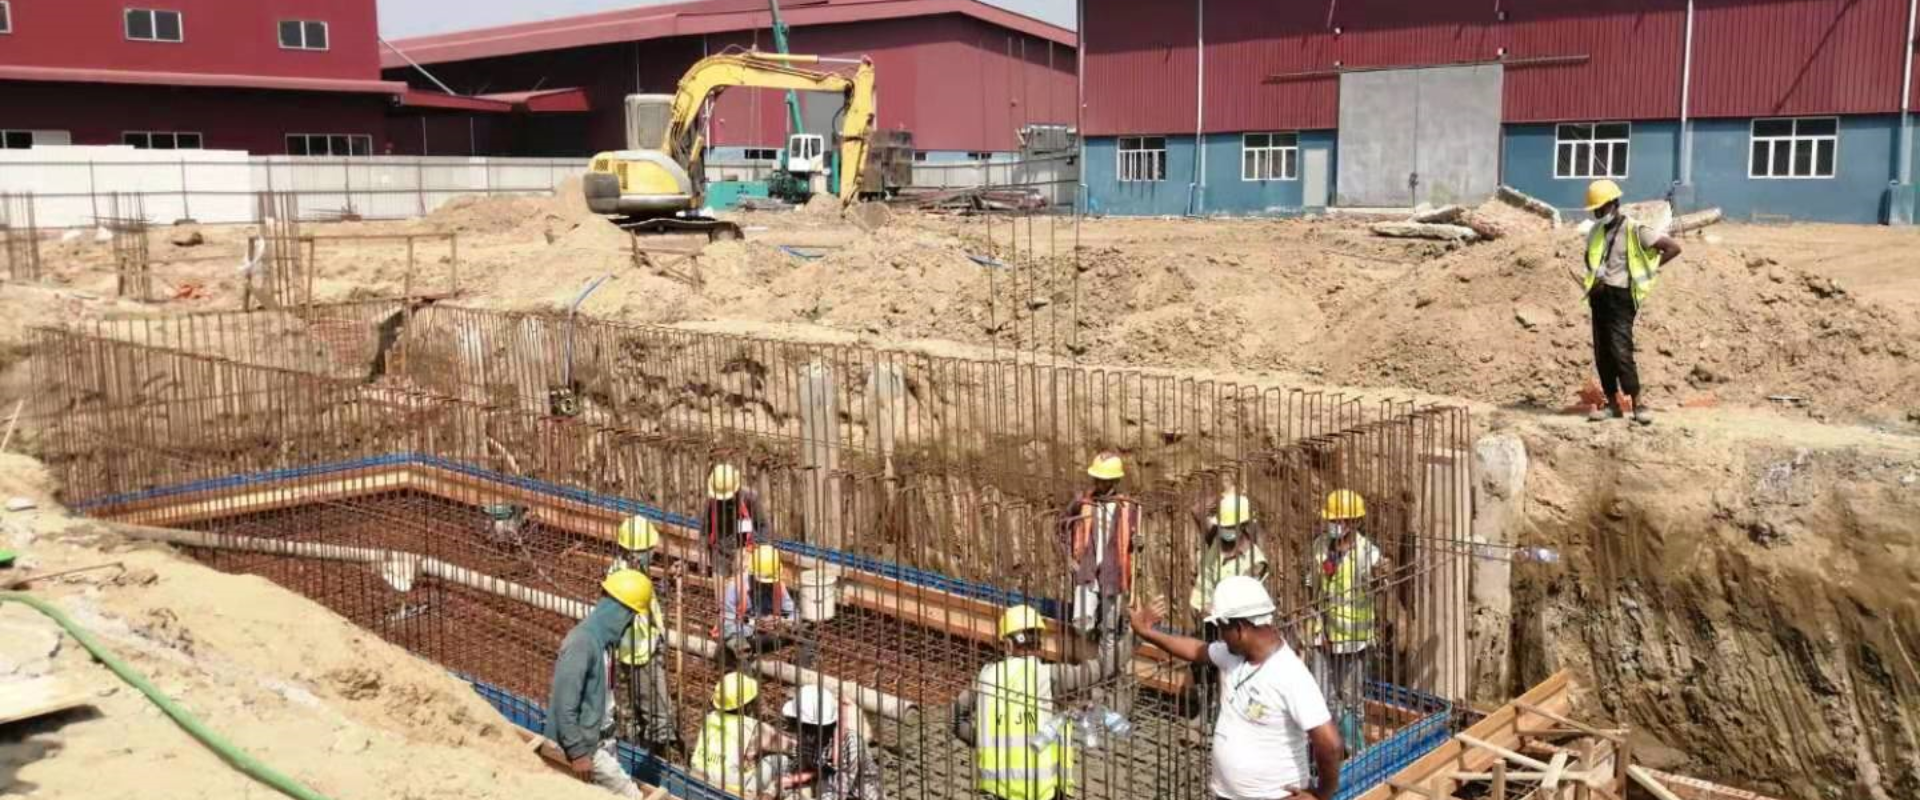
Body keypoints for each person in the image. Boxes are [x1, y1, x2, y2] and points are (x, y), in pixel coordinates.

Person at [1130, 576, 1344, 800]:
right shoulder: (1234, 656)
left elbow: (1330, 744)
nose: (1220, 635)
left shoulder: (1289, 674)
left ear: (1240, 628)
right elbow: (1196, 650)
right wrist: (1147, 633)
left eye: (1222, 627)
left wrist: (1321, 795)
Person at [954, 604, 1122, 800]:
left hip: (996, 791)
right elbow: (1102, 669)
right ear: (1040, 643)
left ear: (1007, 645)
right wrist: (1139, 635)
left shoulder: (985, 677)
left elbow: (953, 718)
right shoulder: (1050, 677)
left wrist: (983, 742)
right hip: (1042, 793)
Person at [1579, 179, 1682, 426]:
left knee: (1621, 352)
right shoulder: (1595, 232)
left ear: (1614, 204)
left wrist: (1648, 270)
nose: (1596, 213)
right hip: (1599, 297)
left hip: (1622, 298)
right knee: (1603, 353)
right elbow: (1590, 259)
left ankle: (1638, 404)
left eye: (1600, 208)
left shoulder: (1636, 230)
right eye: (1594, 209)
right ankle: (1613, 405)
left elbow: (1672, 248)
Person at [547, 568, 656, 798]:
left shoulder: (604, 643)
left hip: (603, 743)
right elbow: (564, 703)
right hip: (588, 749)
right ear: (620, 612)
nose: (630, 626)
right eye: (631, 617)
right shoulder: (581, 642)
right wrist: (578, 753)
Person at [1305, 490, 1390, 755]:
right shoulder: (1320, 546)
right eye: (1332, 519)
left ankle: (1355, 752)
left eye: (1340, 519)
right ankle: (1329, 747)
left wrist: (1380, 575)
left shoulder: (1368, 554)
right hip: (1322, 636)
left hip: (1354, 640)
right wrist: (1313, 620)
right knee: (1321, 696)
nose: (1334, 524)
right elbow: (1311, 585)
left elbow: (1382, 585)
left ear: (1354, 522)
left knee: (1351, 700)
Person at [1058, 452, 1140, 710]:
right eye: (1097, 479)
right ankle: (1086, 681)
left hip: (1114, 576)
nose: (1100, 484)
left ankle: (1104, 684)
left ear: (1115, 480)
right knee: (1082, 625)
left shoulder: (1128, 507)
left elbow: (1136, 539)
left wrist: (1139, 543)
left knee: (1109, 632)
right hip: (1087, 573)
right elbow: (1060, 526)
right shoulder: (1083, 502)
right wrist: (1067, 558)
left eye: (1105, 480)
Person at [1185, 489, 1270, 718]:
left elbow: (1247, 600)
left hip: (1232, 626)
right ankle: (1206, 712)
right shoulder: (1215, 536)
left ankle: (1225, 715)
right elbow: (1197, 509)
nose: (1226, 531)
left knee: (1230, 669)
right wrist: (1222, 497)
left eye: (1231, 527)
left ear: (1243, 526)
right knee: (1203, 666)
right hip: (1206, 617)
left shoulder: (1255, 560)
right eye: (1224, 525)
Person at [610, 515, 682, 758]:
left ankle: (639, 754)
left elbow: (647, 599)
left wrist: (667, 581)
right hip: (640, 655)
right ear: (634, 551)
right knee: (658, 714)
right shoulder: (625, 579)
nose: (652, 553)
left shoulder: (628, 569)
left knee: (635, 715)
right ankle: (656, 764)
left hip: (637, 650)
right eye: (648, 549)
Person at [761, 684, 886, 800]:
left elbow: (837, 792)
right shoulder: (807, 737)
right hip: (823, 782)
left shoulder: (851, 745)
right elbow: (799, 765)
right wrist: (772, 789)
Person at [691, 672, 793, 798]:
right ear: (746, 705)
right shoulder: (752, 727)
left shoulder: (710, 718)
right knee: (780, 760)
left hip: (697, 777)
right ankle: (751, 794)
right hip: (730, 787)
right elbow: (788, 746)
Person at [705, 463, 771, 604]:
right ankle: (726, 623)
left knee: (744, 600)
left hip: (744, 551)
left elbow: (763, 526)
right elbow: (705, 529)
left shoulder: (749, 498)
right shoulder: (711, 501)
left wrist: (758, 551)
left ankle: (744, 620)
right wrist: (704, 555)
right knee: (722, 603)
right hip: (720, 553)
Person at [721, 544, 797, 663]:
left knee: (804, 633)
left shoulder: (778, 585)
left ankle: (799, 672)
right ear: (752, 572)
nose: (766, 584)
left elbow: (792, 614)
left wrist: (780, 621)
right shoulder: (736, 587)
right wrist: (754, 626)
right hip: (746, 637)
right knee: (738, 647)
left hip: (771, 634)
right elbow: (727, 624)